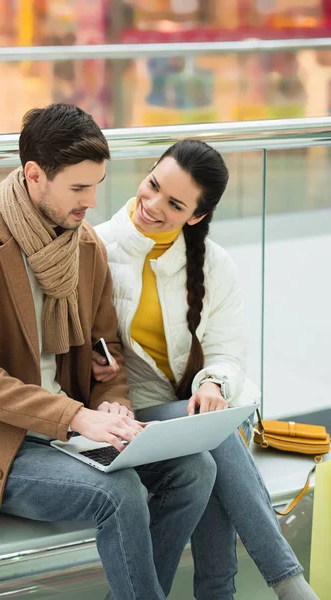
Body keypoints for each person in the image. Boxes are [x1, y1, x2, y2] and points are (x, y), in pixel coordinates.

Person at [0, 104, 217, 600]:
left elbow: (107, 355)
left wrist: (114, 404)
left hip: (73, 429)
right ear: (35, 176)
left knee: (196, 471)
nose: (92, 201)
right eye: (78, 189)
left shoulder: (85, 247)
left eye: (97, 185)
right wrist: (78, 418)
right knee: (120, 493)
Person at [93, 139, 320, 600]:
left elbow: (228, 353)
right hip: (131, 420)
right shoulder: (94, 248)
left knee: (207, 444)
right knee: (212, 441)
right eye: (153, 185)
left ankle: (229, 591)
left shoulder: (214, 263)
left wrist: (214, 382)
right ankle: (284, 582)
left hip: (192, 419)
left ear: (195, 216)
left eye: (174, 204)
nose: (152, 205)